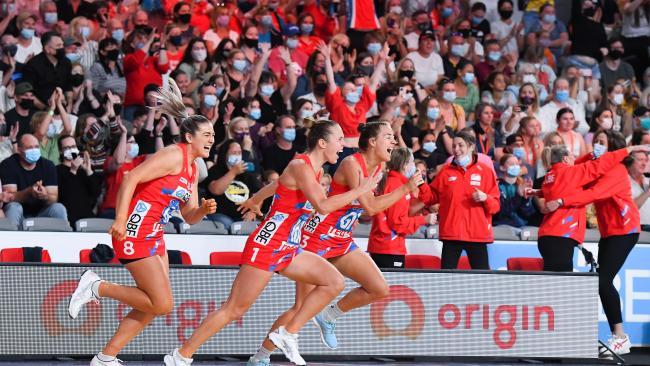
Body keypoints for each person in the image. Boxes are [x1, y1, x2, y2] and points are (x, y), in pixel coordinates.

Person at [163, 120, 380, 366]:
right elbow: (323, 205)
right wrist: (359, 190)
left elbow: (279, 183)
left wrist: (256, 198)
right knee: (234, 309)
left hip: (289, 245)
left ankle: (288, 333)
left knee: (334, 282)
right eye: (339, 139)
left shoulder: (313, 169)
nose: (343, 145)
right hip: (269, 244)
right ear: (322, 143)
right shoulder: (301, 165)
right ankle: (181, 355)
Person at [246, 121, 423, 366]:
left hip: (341, 239)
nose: (393, 141)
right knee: (299, 308)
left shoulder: (380, 166)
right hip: (317, 238)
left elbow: (368, 207)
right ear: (372, 142)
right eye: (389, 136)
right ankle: (260, 357)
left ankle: (330, 315)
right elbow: (370, 208)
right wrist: (405, 188)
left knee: (379, 288)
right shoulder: (352, 164)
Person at [67, 79, 218, 366]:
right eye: (207, 134)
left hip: (155, 234)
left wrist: (204, 210)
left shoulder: (192, 170)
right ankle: (97, 286)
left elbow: (189, 215)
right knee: (162, 304)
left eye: (213, 134)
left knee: (150, 304)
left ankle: (105, 357)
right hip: (135, 230)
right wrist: (121, 219)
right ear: (189, 137)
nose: (212, 139)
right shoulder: (173, 155)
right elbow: (129, 177)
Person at [545, 131, 639, 356]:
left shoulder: (616, 170)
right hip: (609, 232)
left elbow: (594, 194)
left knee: (603, 280)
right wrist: (540, 189)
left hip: (625, 230)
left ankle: (620, 338)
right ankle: (618, 336)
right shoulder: (594, 163)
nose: (596, 145)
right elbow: (568, 174)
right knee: (601, 281)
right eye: (595, 141)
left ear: (613, 148)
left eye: (602, 143)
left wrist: (561, 201)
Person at [536, 142, 649, 272]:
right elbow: (597, 168)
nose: (576, 158)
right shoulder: (572, 172)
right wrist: (629, 149)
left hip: (547, 235)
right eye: (573, 156)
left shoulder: (550, 177)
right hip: (561, 236)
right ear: (566, 158)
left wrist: (534, 192)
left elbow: (575, 168)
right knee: (562, 284)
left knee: (554, 281)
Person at [419, 130, 499, 269]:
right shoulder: (445, 171)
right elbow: (430, 198)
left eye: (460, 145)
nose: (456, 149)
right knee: (447, 281)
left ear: (471, 147)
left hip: (477, 235)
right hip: (451, 234)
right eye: (454, 146)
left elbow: (495, 207)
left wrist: (485, 198)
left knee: (483, 280)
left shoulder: (485, 172)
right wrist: (420, 183)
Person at [368, 147, 437, 268]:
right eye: (412, 162)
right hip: (389, 248)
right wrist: (423, 220)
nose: (414, 167)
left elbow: (428, 199)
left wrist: (421, 184)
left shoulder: (396, 183)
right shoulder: (397, 186)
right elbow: (398, 223)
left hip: (385, 246)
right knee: (390, 287)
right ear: (404, 165)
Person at [0, 133, 68, 227]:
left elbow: (54, 198)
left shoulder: (48, 165)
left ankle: (64, 240)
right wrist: (29, 192)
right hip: (20, 214)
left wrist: (45, 195)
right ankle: (11, 240)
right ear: (19, 150)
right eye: (30, 148)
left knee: (59, 208)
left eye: (36, 147)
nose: (34, 150)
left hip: (41, 214)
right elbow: (9, 198)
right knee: (14, 207)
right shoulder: (8, 165)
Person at [56, 134, 100, 227]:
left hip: (88, 217)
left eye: (73, 146)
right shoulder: (56, 170)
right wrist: (73, 170)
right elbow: (64, 195)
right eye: (67, 148)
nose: (71, 150)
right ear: (60, 151)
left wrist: (88, 170)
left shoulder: (83, 171)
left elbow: (96, 193)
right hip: (68, 219)